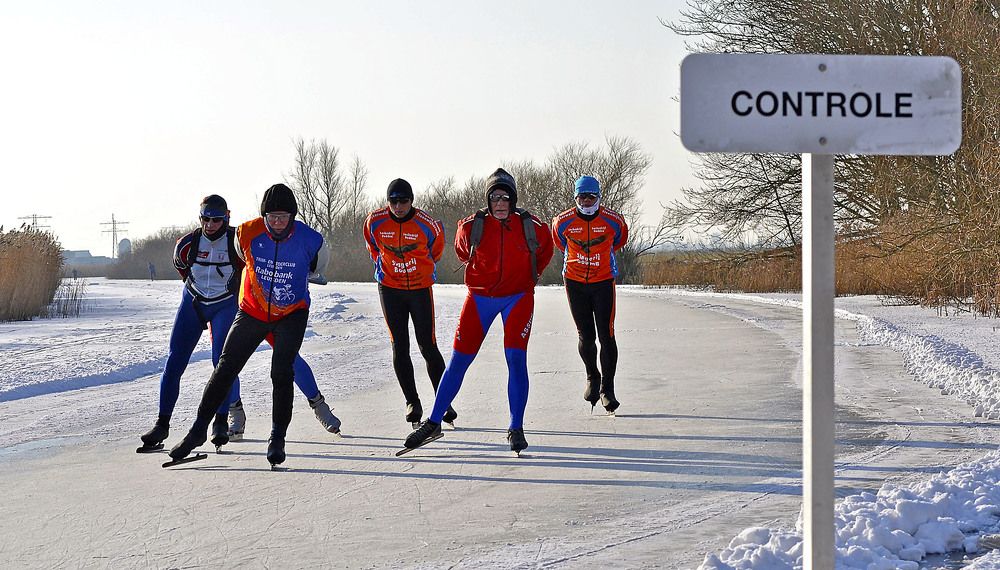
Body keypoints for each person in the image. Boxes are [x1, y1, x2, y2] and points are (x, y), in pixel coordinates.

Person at [138, 194, 340, 454]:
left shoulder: (295, 238)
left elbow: (309, 267)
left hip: (264, 307)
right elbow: (186, 270)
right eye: (205, 219)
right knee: (203, 362)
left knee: (283, 364)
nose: (210, 224)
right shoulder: (195, 243)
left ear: (227, 218)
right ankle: (167, 423)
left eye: (217, 220)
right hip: (234, 306)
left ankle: (315, 405)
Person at [402, 168, 553, 454]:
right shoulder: (471, 226)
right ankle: (434, 422)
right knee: (458, 362)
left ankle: (516, 427)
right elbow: (462, 252)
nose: (500, 203)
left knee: (516, 360)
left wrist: (528, 279)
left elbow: (545, 251)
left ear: (513, 200)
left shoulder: (533, 226)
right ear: (487, 199)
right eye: (495, 197)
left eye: (506, 197)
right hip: (480, 298)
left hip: (518, 298)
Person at [363, 179, 457, 428]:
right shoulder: (375, 221)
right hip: (390, 289)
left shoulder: (427, 224)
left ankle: (443, 401)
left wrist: (420, 270)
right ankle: (412, 401)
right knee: (399, 346)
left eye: (403, 201)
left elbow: (435, 251)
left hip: (419, 289)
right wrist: (388, 268)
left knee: (428, 346)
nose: (398, 206)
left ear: (411, 200)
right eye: (393, 201)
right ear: (387, 201)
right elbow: (374, 248)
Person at [551, 176, 629, 414]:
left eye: (591, 196)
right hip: (574, 282)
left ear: (599, 197)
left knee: (607, 335)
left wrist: (598, 258)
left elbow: (619, 241)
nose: (586, 201)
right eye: (581, 197)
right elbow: (560, 243)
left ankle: (607, 388)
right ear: (575, 198)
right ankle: (592, 377)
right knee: (585, 335)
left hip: (603, 281)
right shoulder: (562, 222)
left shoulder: (613, 221)